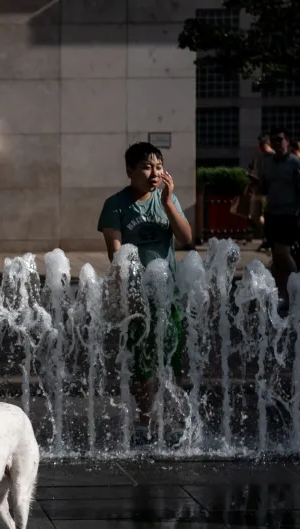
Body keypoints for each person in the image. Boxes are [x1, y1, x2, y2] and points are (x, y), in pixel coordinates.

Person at [98, 142, 192, 444]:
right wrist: (128, 293)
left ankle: (174, 417)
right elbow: (116, 254)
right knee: (144, 362)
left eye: (159, 166)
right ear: (130, 171)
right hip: (138, 297)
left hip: (168, 296)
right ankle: (145, 419)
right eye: (147, 166)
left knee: (173, 359)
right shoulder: (116, 204)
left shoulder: (168, 199)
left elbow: (187, 237)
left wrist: (167, 203)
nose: (155, 172)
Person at [255, 127, 300, 299]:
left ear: (287, 141)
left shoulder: (296, 162)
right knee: (276, 257)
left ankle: (299, 285)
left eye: (280, 139)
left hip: (289, 214)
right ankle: (281, 292)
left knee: (282, 252)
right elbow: (263, 187)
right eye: (274, 140)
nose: (277, 143)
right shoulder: (267, 162)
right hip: (272, 214)